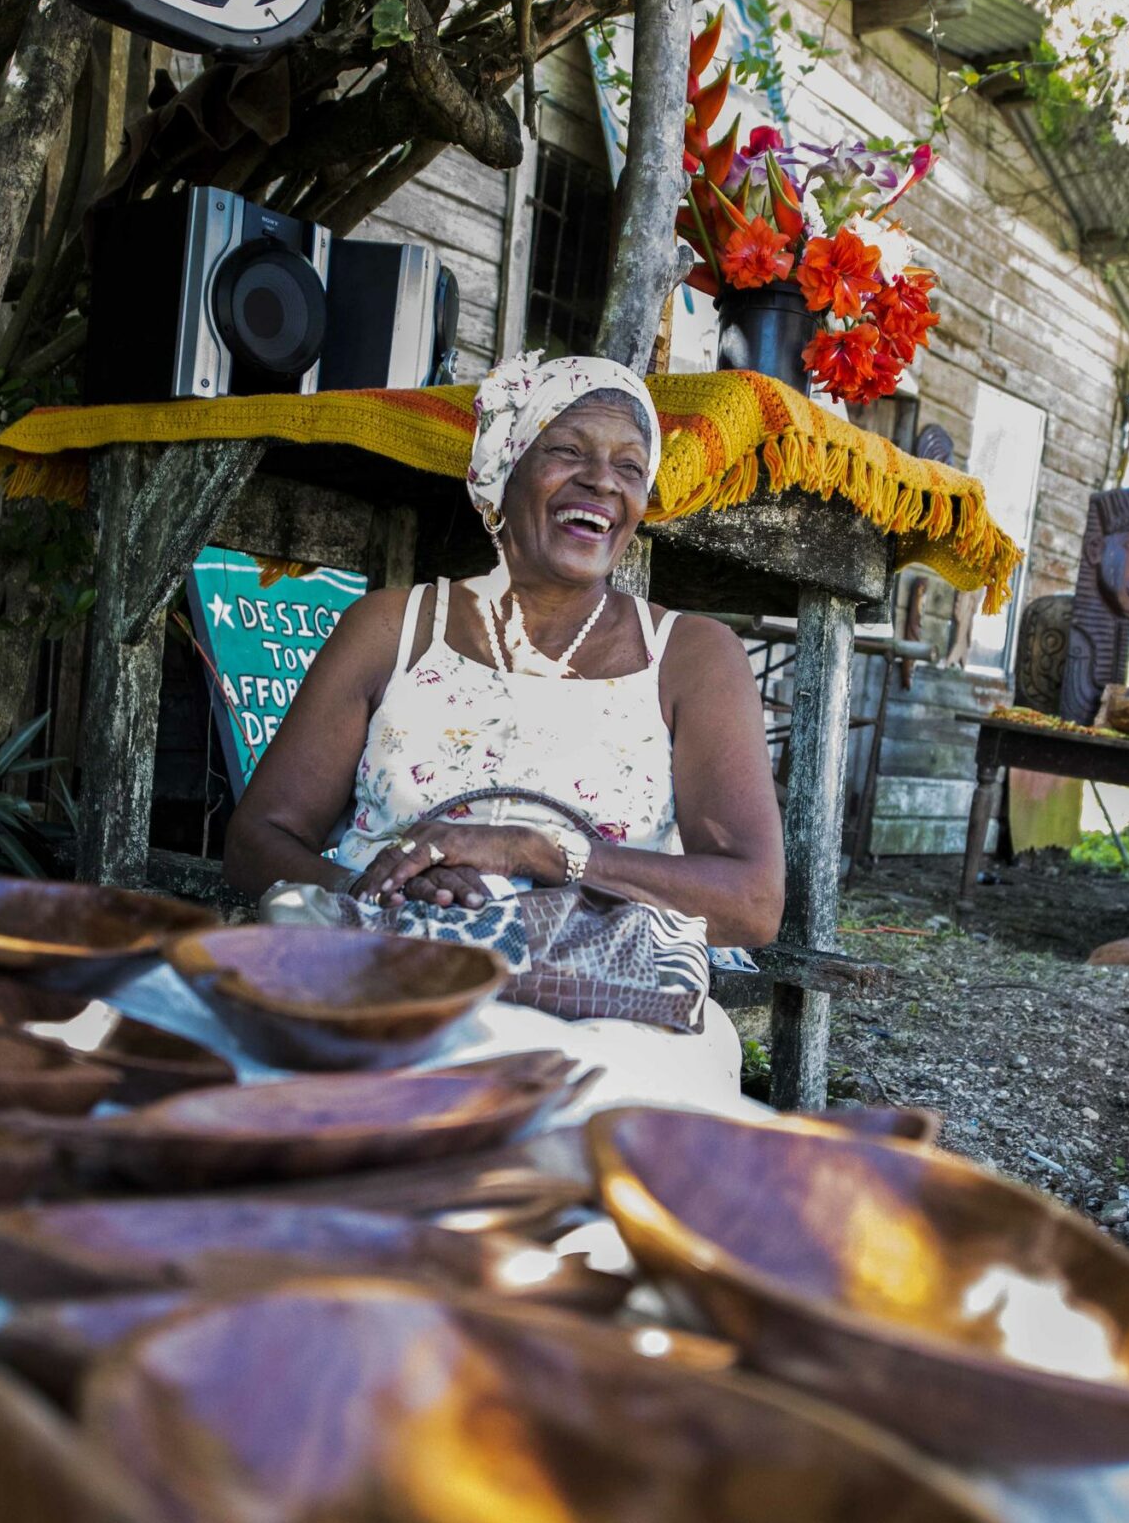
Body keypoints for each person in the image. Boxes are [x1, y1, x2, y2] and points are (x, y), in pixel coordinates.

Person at [223, 353, 784, 1104]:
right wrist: (390, 896)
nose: (603, 483)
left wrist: (541, 852)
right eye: (567, 451)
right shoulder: (392, 627)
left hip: (599, 1005)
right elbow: (259, 838)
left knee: (562, 1129)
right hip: (378, 971)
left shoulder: (691, 657)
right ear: (503, 467)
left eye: (629, 465)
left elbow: (752, 902)